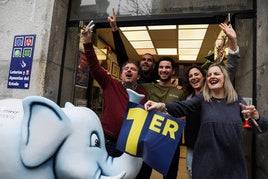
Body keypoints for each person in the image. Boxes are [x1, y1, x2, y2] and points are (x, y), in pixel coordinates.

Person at [144, 62, 268, 179]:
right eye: (209, 75)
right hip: (207, 165)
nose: (212, 76)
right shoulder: (203, 99)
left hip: (233, 165)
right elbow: (183, 107)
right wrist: (161, 105)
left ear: (224, 77)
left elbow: (260, 128)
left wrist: (256, 117)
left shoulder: (236, 100)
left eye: (216, 74)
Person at [183, 22, 240, 179]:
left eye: (197, 74)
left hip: (214, 147)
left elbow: (232, 66)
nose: (194, 77)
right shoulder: (188, 98)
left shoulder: (216, 92)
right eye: (190, 76)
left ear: (205, 77)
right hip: (192, 147)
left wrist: (233, 41)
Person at [81, 26, 148, 157]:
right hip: (108, 142)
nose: (129, 70)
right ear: (122, 74)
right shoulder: (110, 84)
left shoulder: (143, 95)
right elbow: (94, 66)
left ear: (138, 76)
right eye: (126, 68)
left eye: (133, 69)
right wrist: (87, 41)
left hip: (130, 145)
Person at [137, 56, 186, 179]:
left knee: (170, 175)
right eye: (161, 67)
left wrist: (173, 117)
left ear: (173, 71)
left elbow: (184, 116)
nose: (164, 70)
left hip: (170, 141)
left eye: (167, 67)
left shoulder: (180, 92)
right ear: (157, 70)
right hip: (148, 139)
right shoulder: (146, 87)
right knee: (143, 174)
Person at [107, 8, 158, 83]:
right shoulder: (133, 77)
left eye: (149, 60)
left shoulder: (155, 84)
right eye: (143, 59)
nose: (146, 62)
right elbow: (121, 54)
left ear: (153, 65)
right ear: (140, 63)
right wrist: (114, 28)